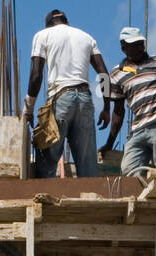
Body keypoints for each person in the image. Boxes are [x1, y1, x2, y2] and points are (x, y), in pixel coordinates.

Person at [25, 10, 110, 178]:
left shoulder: (43, 35)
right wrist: (107, 107)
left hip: (61, 98)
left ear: (48, 23)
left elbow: (36, 75)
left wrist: (29, 108)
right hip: (85, 99)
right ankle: (90, 200)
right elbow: (104, 75)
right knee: (87, 162)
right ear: (66, 21)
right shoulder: (86, 37)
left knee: (48, 157)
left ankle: (46, 199)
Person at [104, 28, 156, 174]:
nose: (140, 47)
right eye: (135, 44)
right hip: (138, 129)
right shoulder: (116, 74)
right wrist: (110, 143)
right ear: (124, 48)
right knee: (129, 169)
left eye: (141, 43)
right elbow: (118, 112)